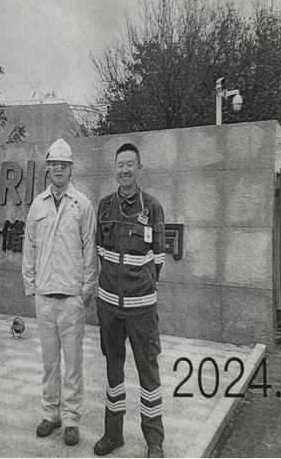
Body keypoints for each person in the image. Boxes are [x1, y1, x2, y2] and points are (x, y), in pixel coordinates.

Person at [22, 138, 98, 447]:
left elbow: (90, 248)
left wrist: (87, 289)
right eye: (54, 164)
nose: (58, 169)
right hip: (44, 297)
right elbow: (29, 247)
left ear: (71, 169)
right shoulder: (38, 205)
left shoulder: (82, 204)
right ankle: (50, 414)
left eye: (64, 165)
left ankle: (71, 420)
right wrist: (31, 285)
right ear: (48, 167)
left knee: (73, 364)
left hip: (71, 298)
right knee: (50, 363)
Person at [93, 143, 166, 459]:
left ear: (139, 168)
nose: (124, 170)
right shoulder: (105, 206)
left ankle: (154, 440)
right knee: (113, 371)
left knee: (148, 371)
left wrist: (140, 286)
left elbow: (158, 258)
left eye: (130, 164)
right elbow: (100, 251)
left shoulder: (152, 207)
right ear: (115, 168)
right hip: (109, 306)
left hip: (141, 308)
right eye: (120, 165)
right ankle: (113, 435)